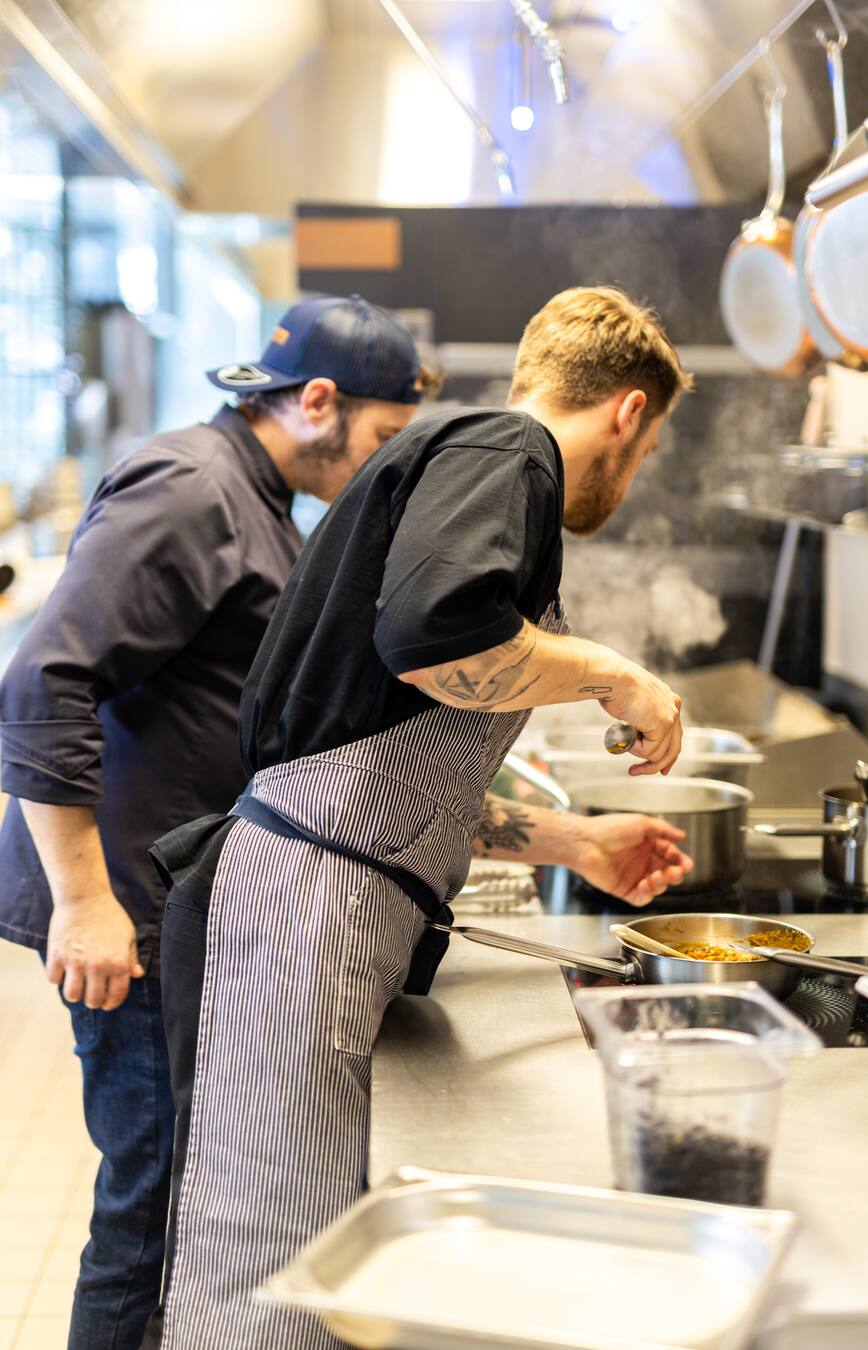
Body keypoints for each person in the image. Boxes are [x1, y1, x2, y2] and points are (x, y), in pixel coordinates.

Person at [149, 284, 695, 1350]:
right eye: (649, 449)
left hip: (317, 893)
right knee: (267, 1264)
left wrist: (575, 842)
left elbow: (378, 773)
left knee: (302, 1247)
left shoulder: (471, 460)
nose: (634, 475)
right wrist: (615, 675)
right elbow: (437, 644)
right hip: (299, 915)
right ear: (629, 412)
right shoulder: (509, 448)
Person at [0, 293, 436, 1350]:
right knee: (149, 1211)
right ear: (319, 401)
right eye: (382, 435)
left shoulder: (258, 505)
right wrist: (85, 904)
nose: (382, 461)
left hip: (168, 901)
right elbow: (41, 681)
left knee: (169, 1199)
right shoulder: (193, 488)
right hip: (128, 912)